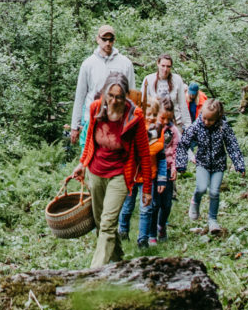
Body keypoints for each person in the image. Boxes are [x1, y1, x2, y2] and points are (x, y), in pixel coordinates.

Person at [69, 72, 153, 267]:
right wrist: (82, 164)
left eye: (119, 97)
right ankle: (119, 261)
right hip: (96, 171)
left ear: (126, 97)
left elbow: (144, 153)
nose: (115, 101)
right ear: (105, 94)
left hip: (120, 174)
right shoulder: (96, 108)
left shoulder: (135, 117)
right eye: (111, 96)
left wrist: (146, 188)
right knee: (100, 223)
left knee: (107, 223)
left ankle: (93, 273)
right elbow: (90, 139)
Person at [175, 99, 246, 234]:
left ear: (218, 118)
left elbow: (232, 145)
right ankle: (195, 200)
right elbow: (183, 144)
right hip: (203, 163)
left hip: (218, 165)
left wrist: (239, 164)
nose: (206, 122)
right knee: (201, 188)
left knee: (214, 192)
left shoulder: (223, 127)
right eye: (204, 118)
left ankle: (212, 220)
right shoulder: (197, 126)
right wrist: (181, 164)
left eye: (210, 120)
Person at [66, 25, 135, 156]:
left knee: (113, 159)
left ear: (114, 40)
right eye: (104, 39)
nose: (107, 43)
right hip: (91, 119)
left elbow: (131, 95)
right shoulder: (88, 64)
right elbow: (80, 96)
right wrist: (74, 126)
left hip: (117, 120)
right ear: (98, 39)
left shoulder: (125, 64)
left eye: (110, 39)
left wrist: (131, 122)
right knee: (88, 156)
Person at [138, 98, 181, 247]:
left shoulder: (173, 131)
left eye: (168, 119)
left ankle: (161, 225)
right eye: (162, 117)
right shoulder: (151, 130)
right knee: (154, 204)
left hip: (168, 170)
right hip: (154, 171)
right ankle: (151, 234)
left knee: (167, 203)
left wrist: (175, 167)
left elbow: (177, 150)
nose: (164, 121)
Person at [140, 55, 192, 130]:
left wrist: (188, 127)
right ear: (158, 64)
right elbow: (143, 105)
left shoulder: (177, 79)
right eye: (163, 66)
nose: (165, 69)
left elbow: (182, 104)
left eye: (168, 66)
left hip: (175, 123)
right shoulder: (148, 79)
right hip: (155, 123)